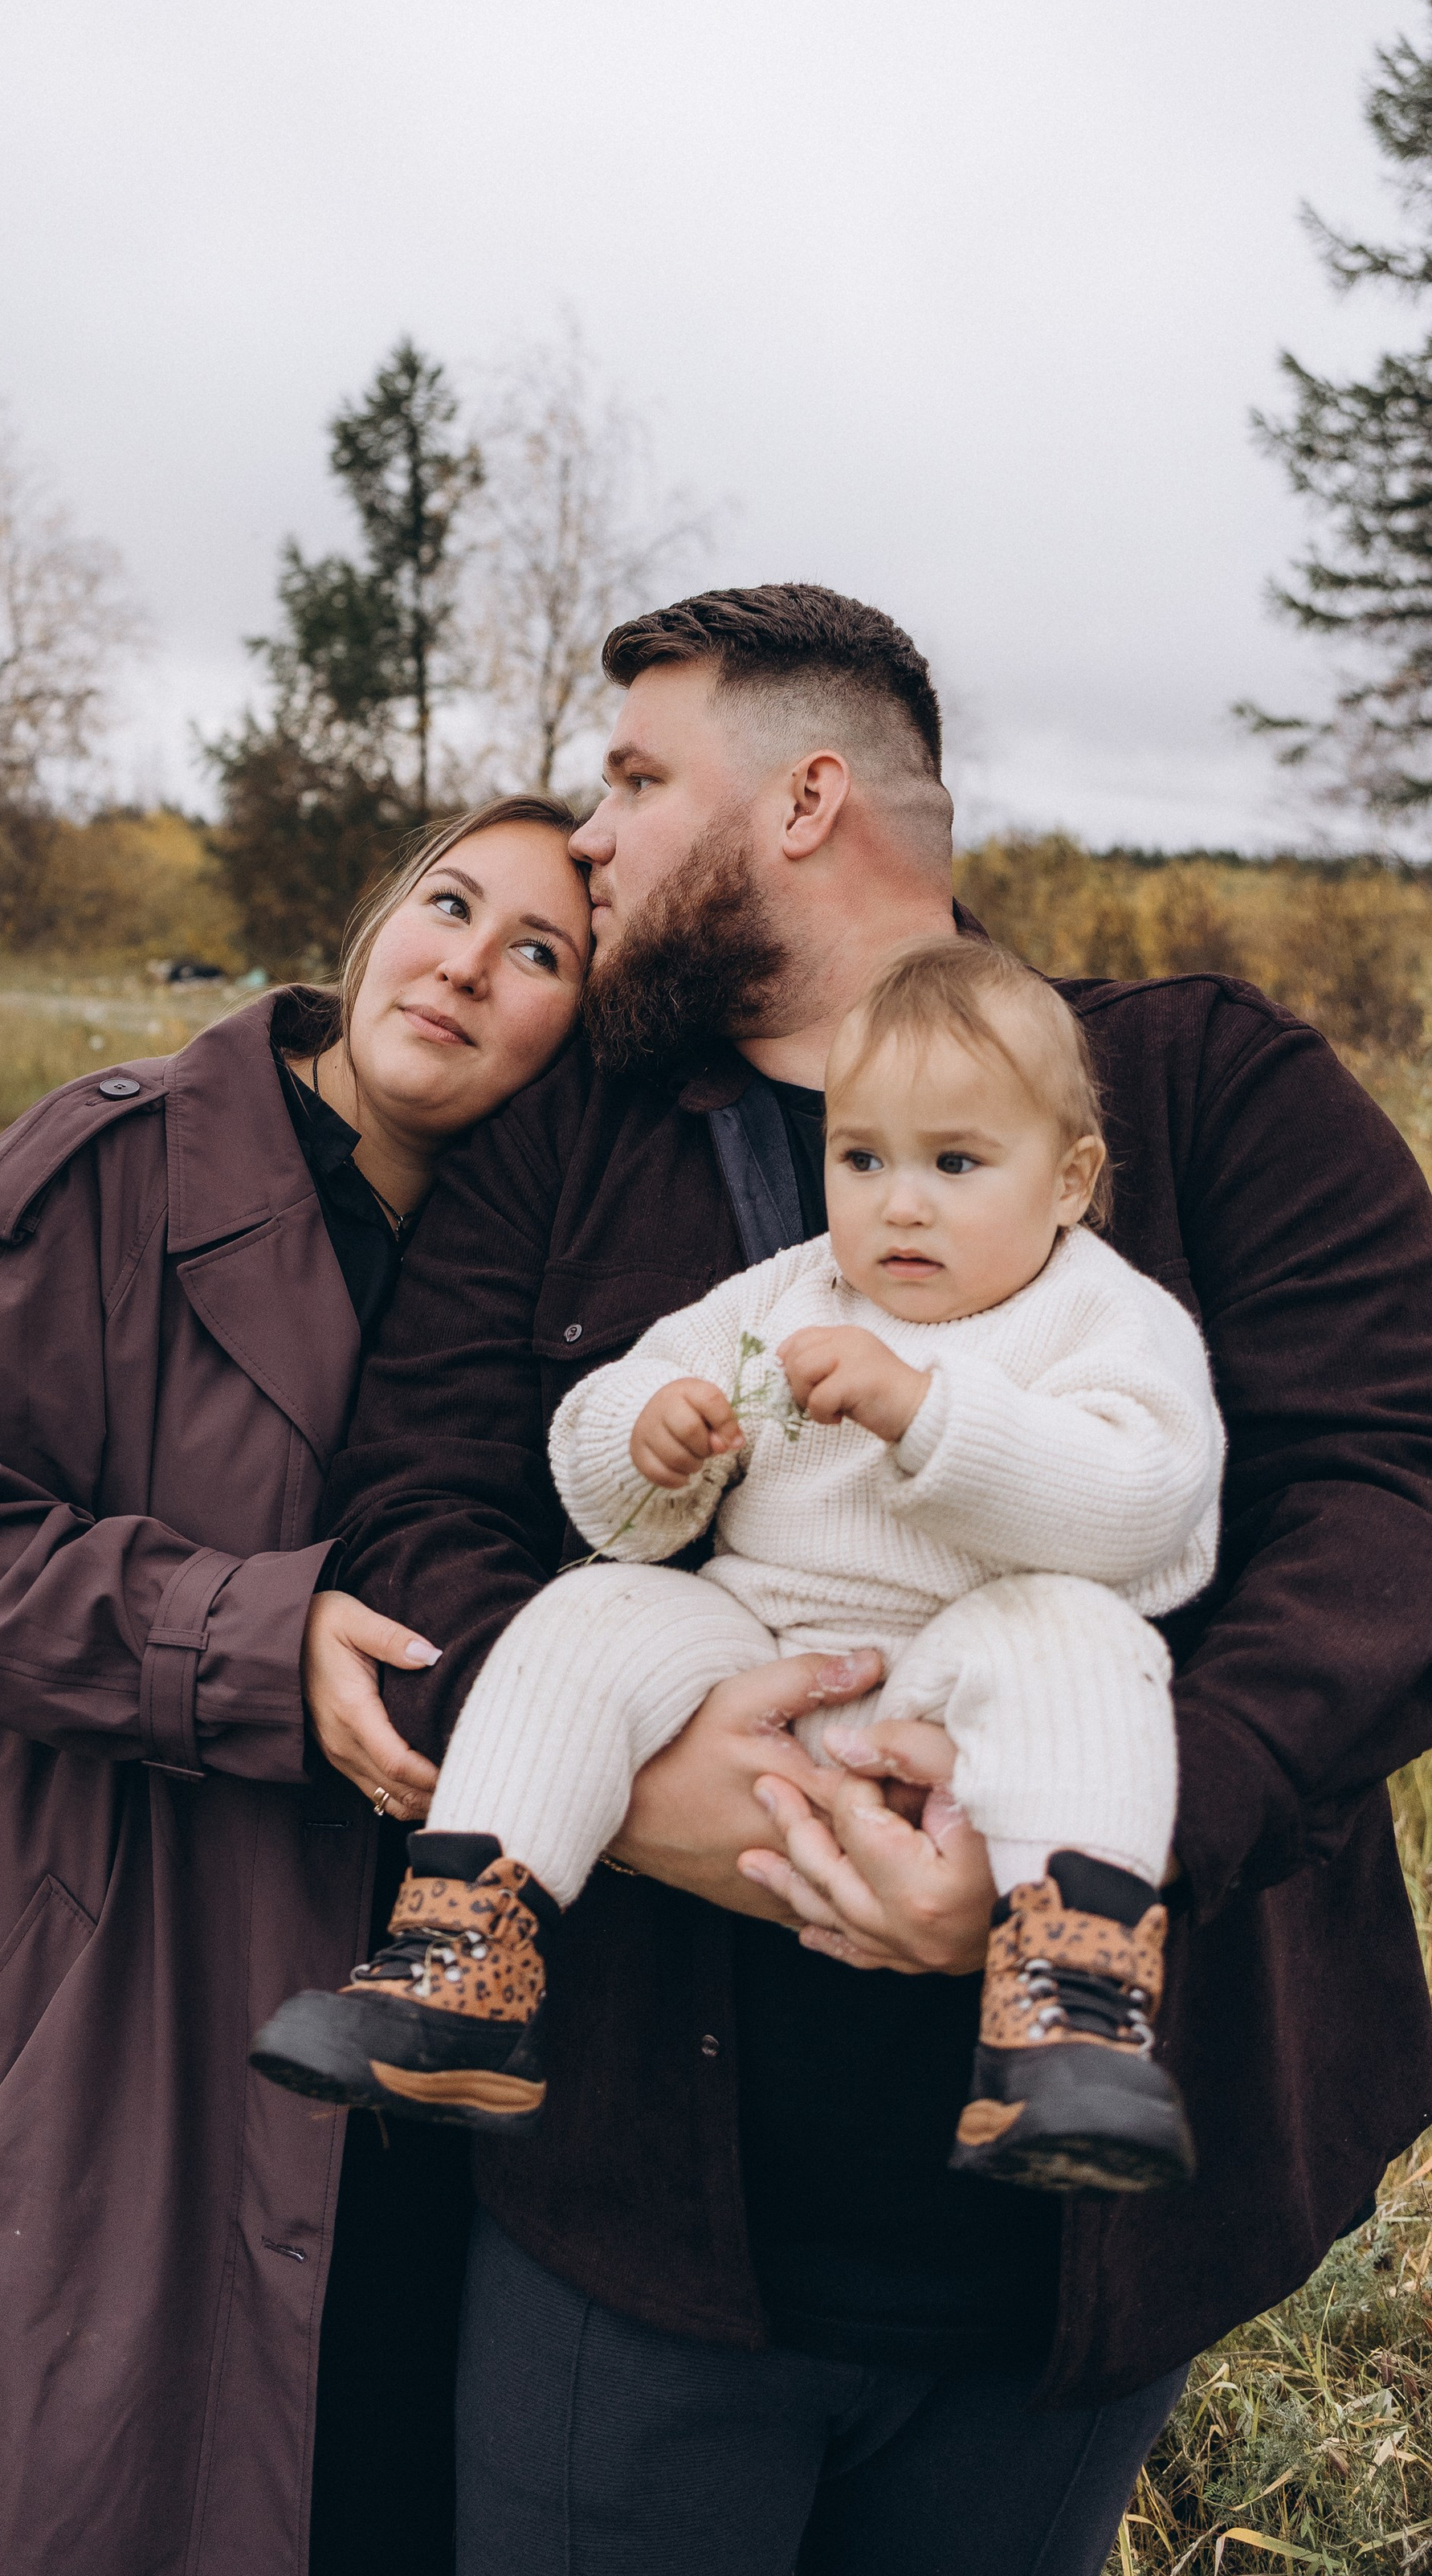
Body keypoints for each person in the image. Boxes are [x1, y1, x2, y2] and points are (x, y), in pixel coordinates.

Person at [316, 584, 1432, 2576]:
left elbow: (1393, 1494)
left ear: (807, 799)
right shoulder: (565, 1144)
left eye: (638, 778)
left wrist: (1120, 1835)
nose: (587, 834)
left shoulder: (1195, 1094)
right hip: (636, 2223)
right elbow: (411, 1497)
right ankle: (451, 1960)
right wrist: (648, 1796)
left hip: (1076, 2264)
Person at [0, 794, 590, 2576]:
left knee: (341, 2469)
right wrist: (253, 1635)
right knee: (36, 2473)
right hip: (83, 1956)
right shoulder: (112, 1166)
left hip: (406, 1978)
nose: (468, 962)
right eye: (450, 902)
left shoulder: (534, 1268)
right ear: (374, 919)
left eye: (538, 951)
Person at [254, 936, 1221, 2199]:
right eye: (862, 1158)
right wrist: (651, 1440)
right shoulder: (790, 1288)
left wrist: (927, 1413)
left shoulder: (1105, 1311)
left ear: (1070, 1179)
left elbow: (1142, 1504)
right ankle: (467, 1958)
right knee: (595, 1608)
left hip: (975, 1668)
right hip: (762, 1642)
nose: (901, 1202)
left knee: (1091, 1651)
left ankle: (1073, 2018)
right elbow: (622, 1433)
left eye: (957, 1162)